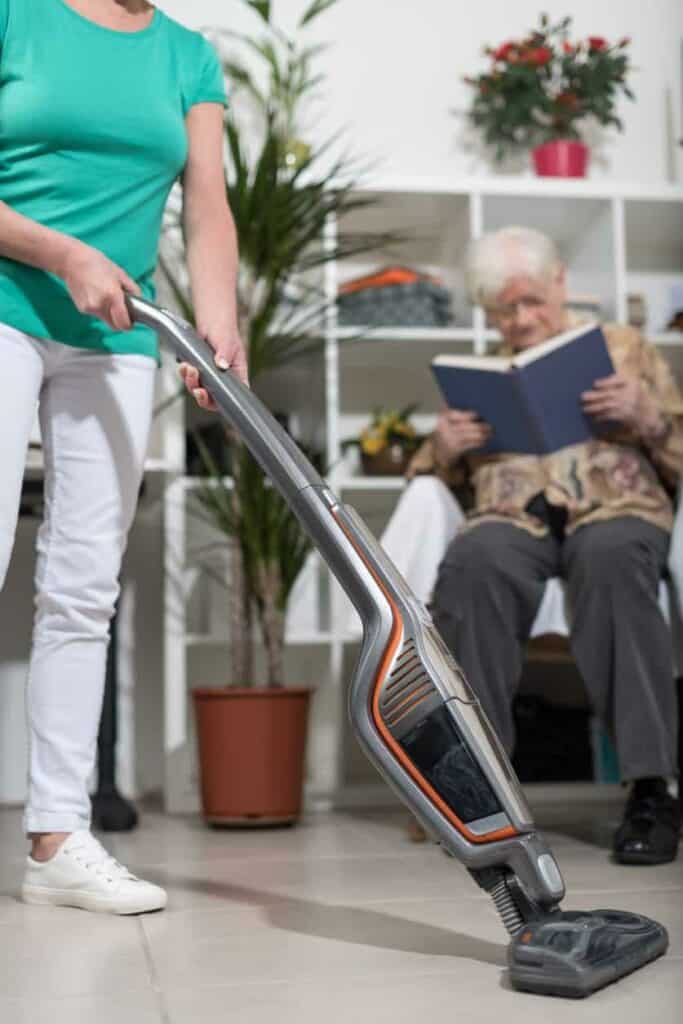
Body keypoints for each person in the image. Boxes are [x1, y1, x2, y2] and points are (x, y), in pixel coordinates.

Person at [0, 0, 247, 913]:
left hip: (117, 330)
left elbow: (209, 207)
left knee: (83, 585)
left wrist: (216, 321)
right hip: (6, 303)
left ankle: (58, 838)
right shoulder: (15, 14)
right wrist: (61, 250)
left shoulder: (186, 55)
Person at [408, 226, 683, 864]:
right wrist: (442, 449)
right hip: (511, 516)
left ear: (560, 283)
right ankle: (479, 788)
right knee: (474, 564)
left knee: (613, 559)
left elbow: (675, 451)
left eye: (532, 301)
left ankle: (652, 788)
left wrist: (646, 417)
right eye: (505, 309)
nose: (522, 319)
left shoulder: (625, 347)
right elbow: (429, 477)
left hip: (615, 507)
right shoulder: (477, 374)